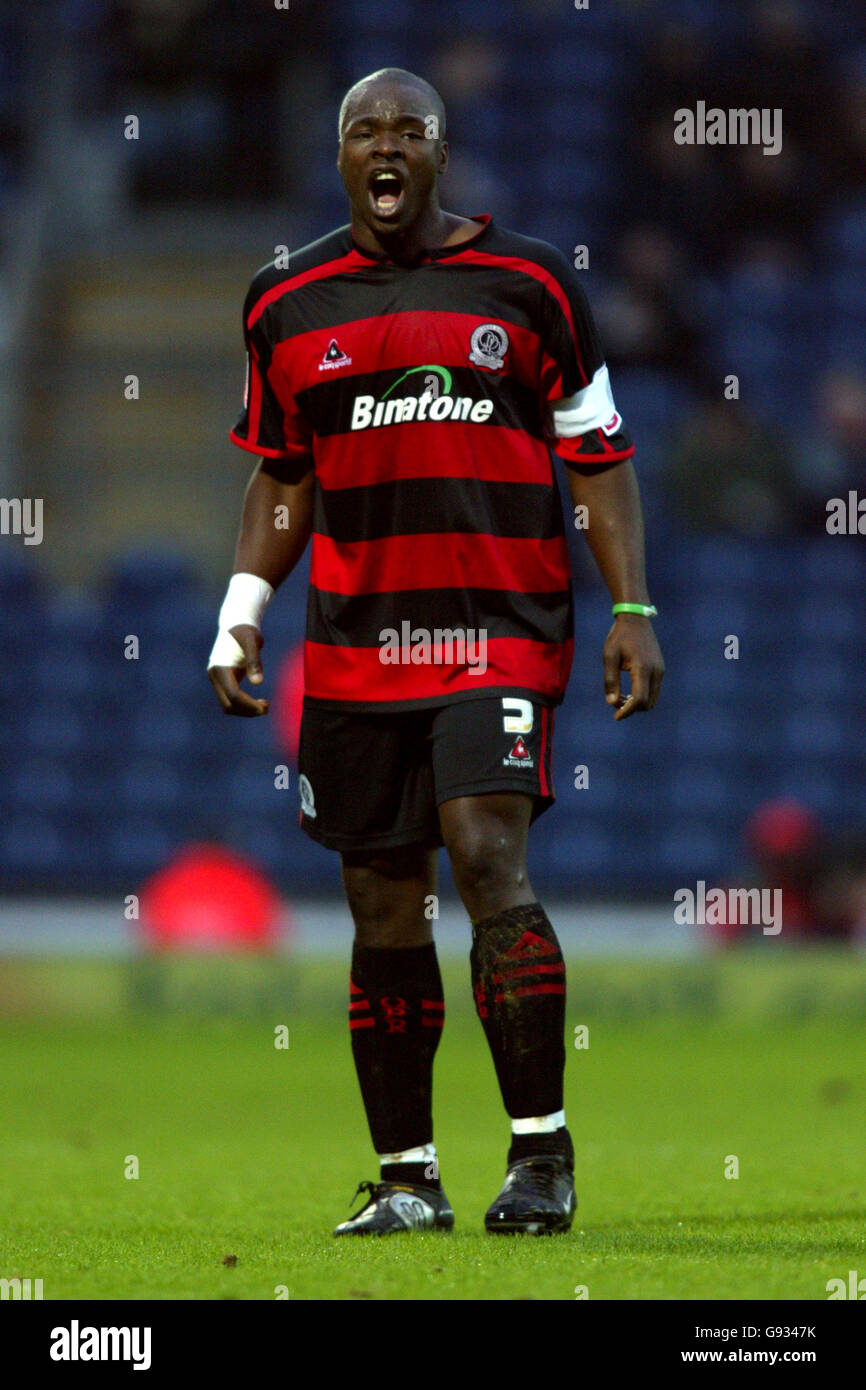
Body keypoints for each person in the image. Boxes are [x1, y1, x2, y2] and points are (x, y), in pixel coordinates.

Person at [207, 68, 664, 1236]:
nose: (387, 143)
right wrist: (241, 605)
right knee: (379, 906)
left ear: (441, 152)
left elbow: (597, 458)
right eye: (365, 126)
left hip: (497, 631)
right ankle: (408, 1177)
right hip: (357, 647)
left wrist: (632, 611)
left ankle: (540, 1158)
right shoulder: (283, 302)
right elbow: (281, 471)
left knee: (483, 851)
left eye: (411, 125)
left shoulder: (531, 283)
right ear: (342, 153)